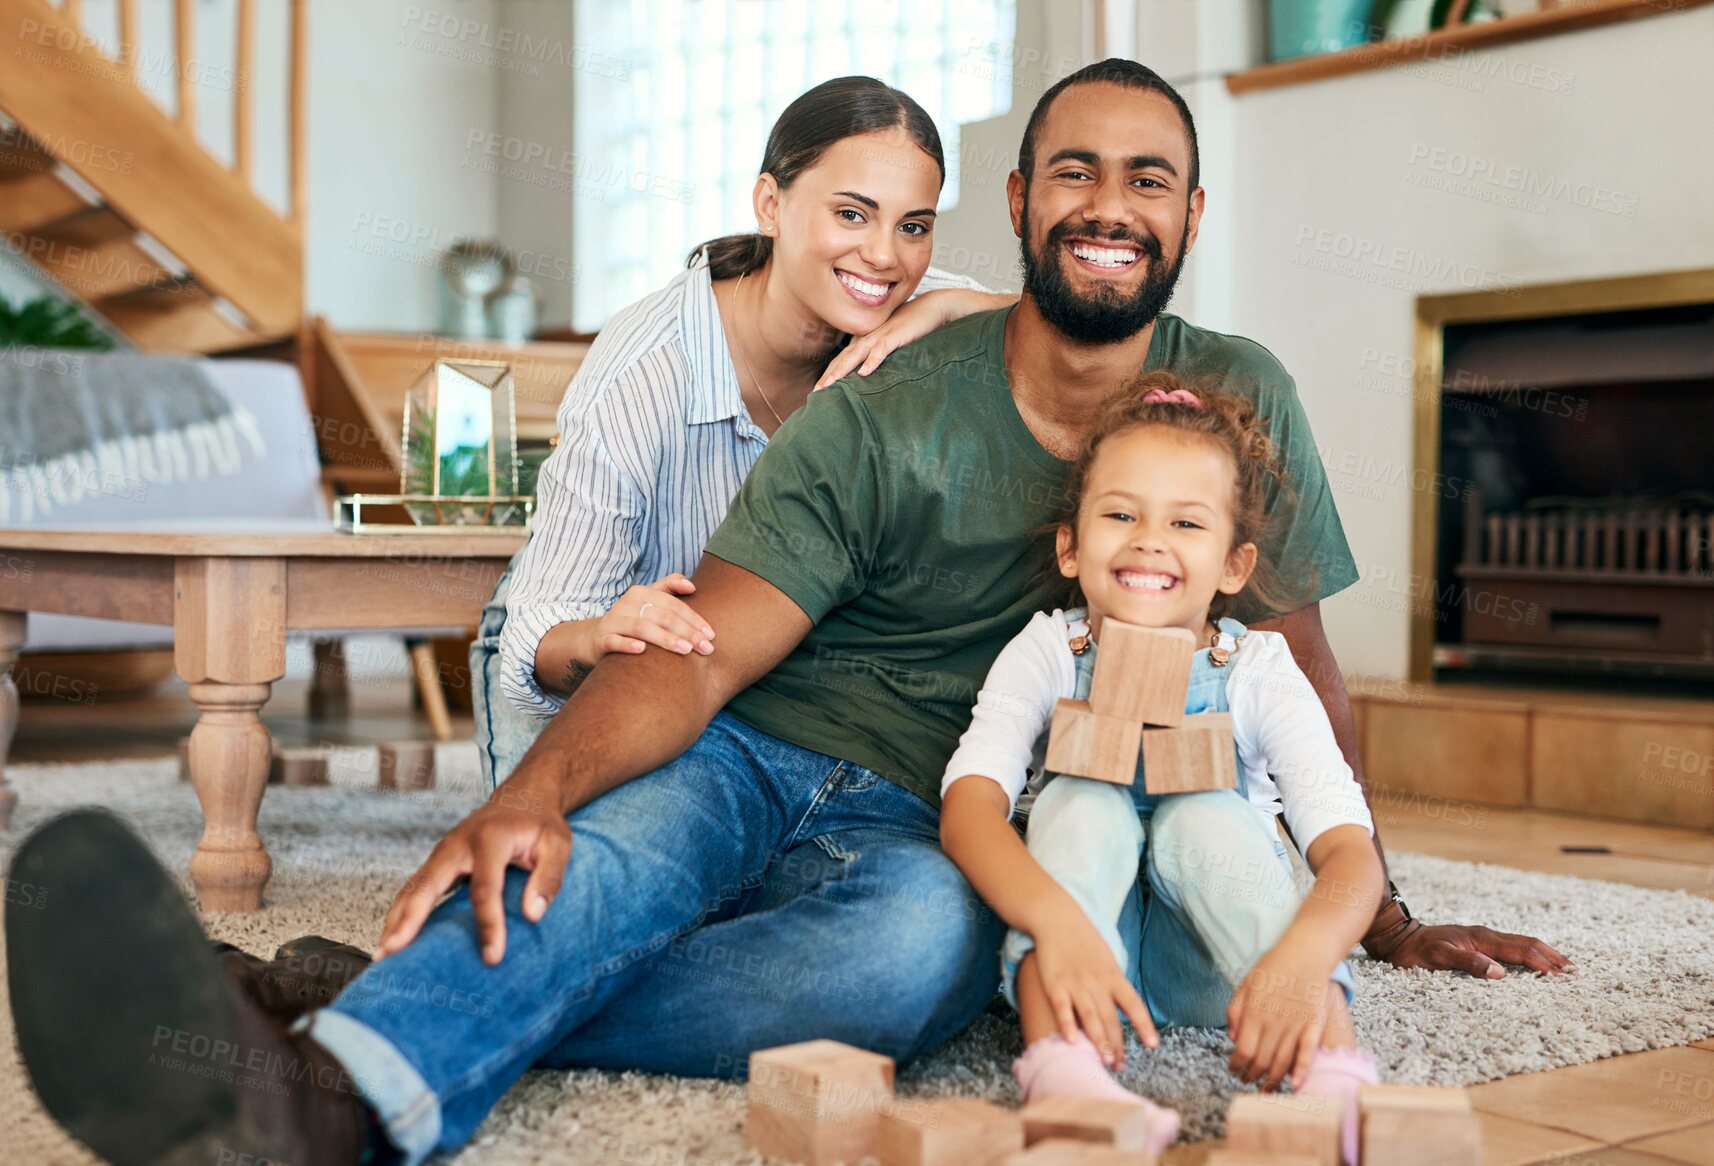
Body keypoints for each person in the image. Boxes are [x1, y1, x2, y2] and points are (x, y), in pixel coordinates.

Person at [7, 59, 1568, 1166]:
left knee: (907, 974)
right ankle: (329, 1103)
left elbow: (1291, 656)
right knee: (606, 859)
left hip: (932, 819)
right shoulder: (883, 402)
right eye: (1073, 172)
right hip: (761, 745)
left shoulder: (1237, 399)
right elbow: (704, 651)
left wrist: (1384, 906)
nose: (1109, 203)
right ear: (1020, 203)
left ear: (1189, 212)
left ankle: (383, 991)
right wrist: (535, 794)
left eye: (1144, 176)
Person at [470, 76, 1010, 790]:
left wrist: (954, 306)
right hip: (599, 635)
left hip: (766, 670)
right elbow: (539, 640)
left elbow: (1083, 334)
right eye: (851, 214)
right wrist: (603, 636)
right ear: (770, 204)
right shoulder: (646, 369)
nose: (885, 256)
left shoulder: (913, 299)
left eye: (913, 226)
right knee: (557, 882)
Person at [939, 376, 1385, 1164]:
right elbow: (970, 806)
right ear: (1070, 548)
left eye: (1185, 521)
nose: (1149, 540)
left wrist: (1301, 959)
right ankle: (1068, 1080)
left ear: (1233, 565)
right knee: (1081, 793)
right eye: (1120, 514)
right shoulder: (1050, 649)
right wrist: (1055, 922)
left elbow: (1350, 853)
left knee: (1202, 813)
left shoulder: (1256, 668)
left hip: (1216, 969)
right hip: (1080, 957)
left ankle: (1333, 1071)